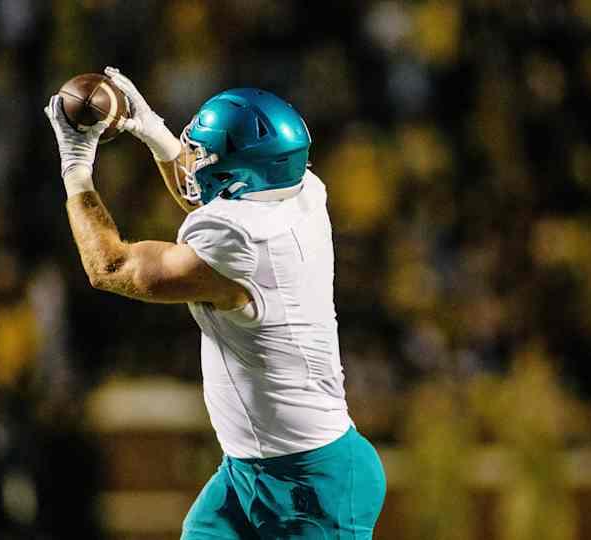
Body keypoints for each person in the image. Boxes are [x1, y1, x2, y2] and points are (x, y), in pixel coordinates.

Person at [44, 69, 387, 538]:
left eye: (205, 155)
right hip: (249, 472)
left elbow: (111, 267)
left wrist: (75, 165)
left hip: (312, 486)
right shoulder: (300, 189)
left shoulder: (246, 242)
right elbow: (211, 195)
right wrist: (153, 131)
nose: (194, 162)